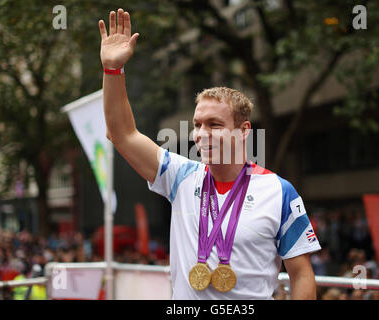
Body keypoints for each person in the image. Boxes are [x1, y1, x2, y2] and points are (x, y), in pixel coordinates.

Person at [98, 8, 321, 299]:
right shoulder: (180, 176)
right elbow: (122, 134)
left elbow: (302, 274)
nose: (201, 134)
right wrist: (113, 70)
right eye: (197, 124)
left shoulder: (280, 191)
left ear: (243, 131)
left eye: (214, 124)